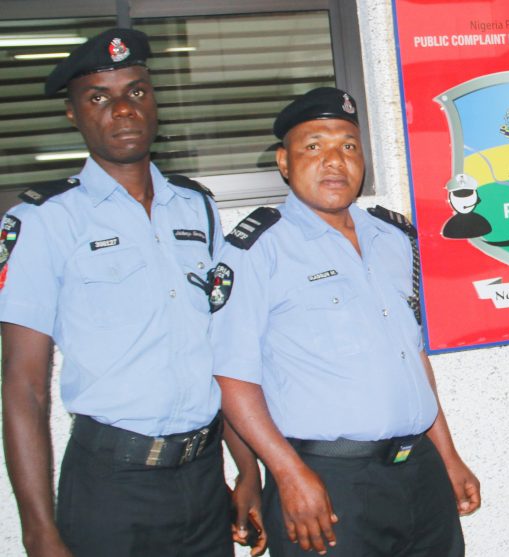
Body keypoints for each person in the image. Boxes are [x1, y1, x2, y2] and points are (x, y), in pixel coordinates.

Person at [0, 28, 264, 556]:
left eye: (136, 91)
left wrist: (247, 470)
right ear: (73, 113)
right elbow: (23, 387)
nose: (123, 109)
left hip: (202, 479)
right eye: (99, 97)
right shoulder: (44, 220)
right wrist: (38, 530)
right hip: (110, 488)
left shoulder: (197, 207)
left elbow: (219, 351)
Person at [210, 86, 481, 556]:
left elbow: (410, 356)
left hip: (419, 471)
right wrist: (288, 474)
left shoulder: (393, 237)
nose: (334, 160)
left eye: (348, 146)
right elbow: (231, 378)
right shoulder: (258, 249)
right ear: (283, 161)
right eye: (313, 146)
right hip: (327, 483)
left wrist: (448, 455)